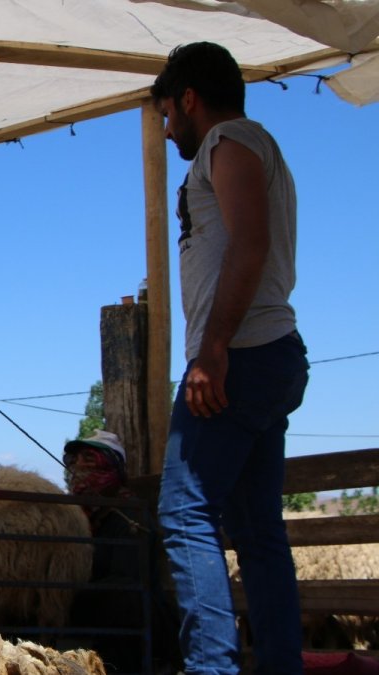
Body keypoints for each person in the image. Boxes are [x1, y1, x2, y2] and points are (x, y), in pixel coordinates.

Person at [152, 42, 309, 675]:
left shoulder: (229, 141)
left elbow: (250, 244)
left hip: (238, 356)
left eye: (167, 113)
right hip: (265, 357)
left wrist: (212, 349)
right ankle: (279, 665)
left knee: (184, 512)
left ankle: (211, 668)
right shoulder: (246, 145)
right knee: (256, 527)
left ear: (188, 98)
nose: (166, 130)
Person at [64, 430, 181, 674]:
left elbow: (127, 583)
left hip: (132, 629)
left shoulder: (130, 518)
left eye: (89, 460)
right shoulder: (76, 519)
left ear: (112, 467)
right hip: (93, 620)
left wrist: (66, 596)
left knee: (122, 600)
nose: (78, 467)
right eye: (73, 461)